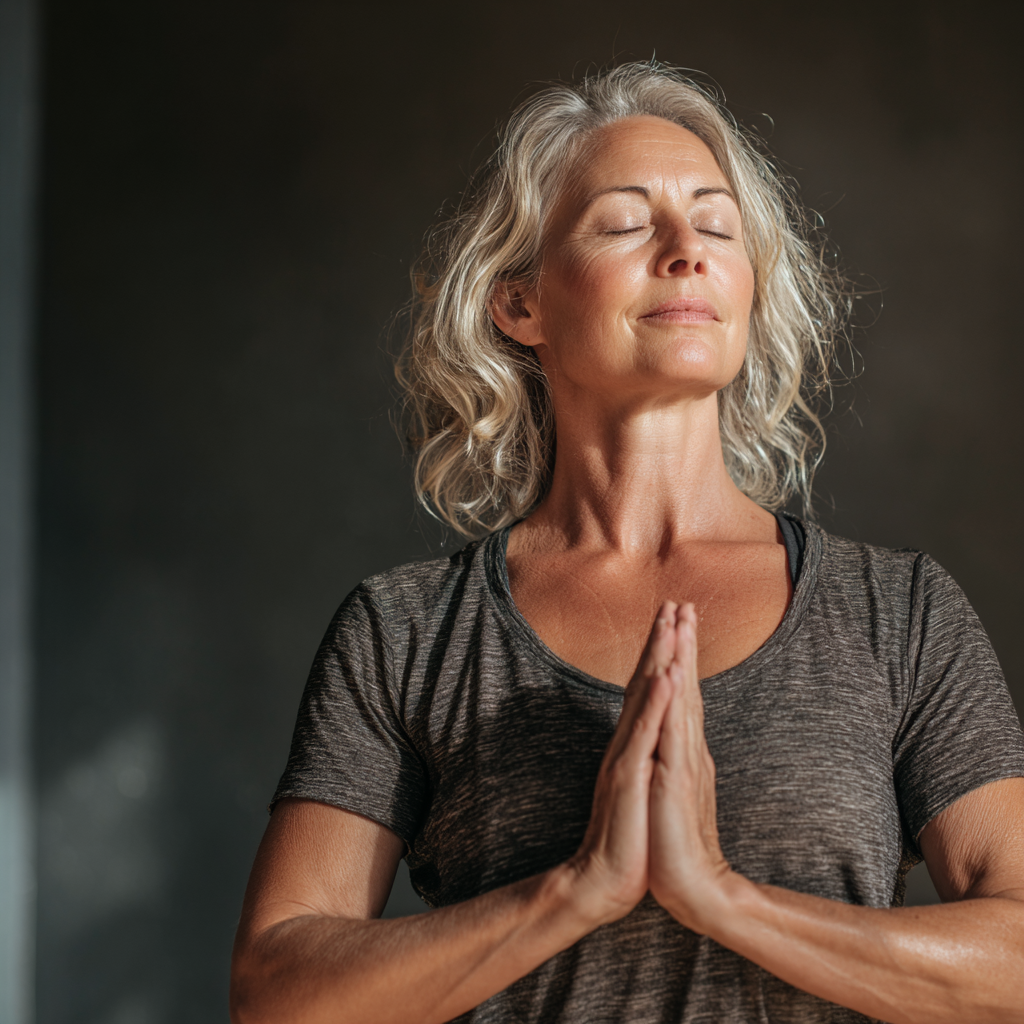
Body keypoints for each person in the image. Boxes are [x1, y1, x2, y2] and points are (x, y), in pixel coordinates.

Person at [229, 63, 1024, 1023]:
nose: (687, 249)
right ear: (519, 303)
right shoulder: (403, 633)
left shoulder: (899, 614)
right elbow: (278, 992)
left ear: (746, 288)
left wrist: (723, 898)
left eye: (717, 225)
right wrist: (577, 889)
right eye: (624, 223)